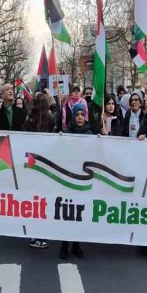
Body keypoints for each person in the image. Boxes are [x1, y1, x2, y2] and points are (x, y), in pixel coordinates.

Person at [23, 92, 56, 249]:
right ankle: (41, 233)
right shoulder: (50, 119)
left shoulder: (29, 119)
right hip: (46, 162)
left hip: (31, 161)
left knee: (33, 199)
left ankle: (33, 234)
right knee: (44, 199)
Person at [59, 102, 90, 259]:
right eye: (77, 114)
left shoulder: (90, 134)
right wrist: (59, 139)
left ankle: (76, 245)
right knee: (67, 212)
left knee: (80, 213)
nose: (79, 117)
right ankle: (64, 245)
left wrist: (100, 140)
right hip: (68, 178)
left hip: (83, 179)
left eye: (82, 114)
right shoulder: (67, 133)